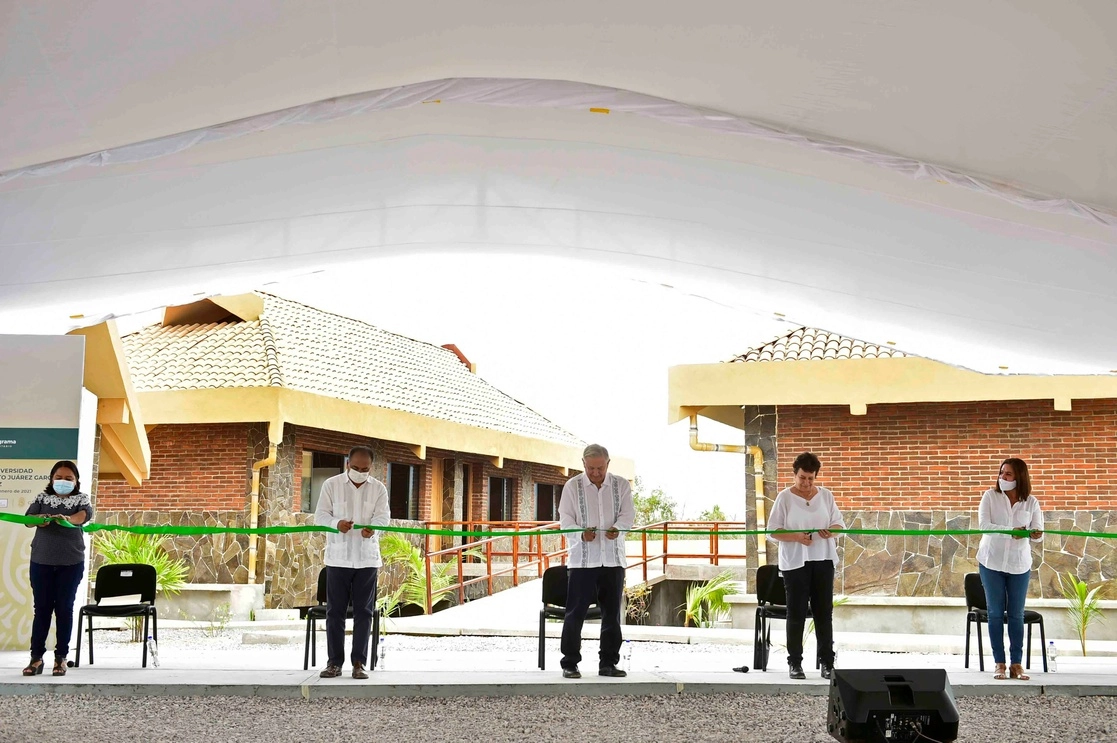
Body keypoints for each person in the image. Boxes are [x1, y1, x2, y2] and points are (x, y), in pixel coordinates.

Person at [557, 443, 635, 679]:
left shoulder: (621, 485)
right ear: (583, 464)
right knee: (575, 613)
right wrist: (581, 533)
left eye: (600, 468)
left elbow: (628, 516)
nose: (596, 473)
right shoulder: (572, 486)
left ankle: (608, 664)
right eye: (591, 468)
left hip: (613, 561)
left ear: (608, 464)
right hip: (582, 562)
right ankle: (570, 663)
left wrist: (618, 529)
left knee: (612, 614)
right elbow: (565, 522)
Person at [313, 446, 391, 679]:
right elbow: (320, 516)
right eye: (355, 468)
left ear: (371, 467)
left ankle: (359, 663)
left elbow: (383, 517)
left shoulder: (378, 488)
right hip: (338, 559)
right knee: (334, 612)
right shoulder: (331, 485)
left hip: (366, 560)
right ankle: (334, 663)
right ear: (347, 464)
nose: (360, 472)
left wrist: (373, 529)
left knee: (364, 613)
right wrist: (336, 523)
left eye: (364, 469)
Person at [767, 452, 843, 680]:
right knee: (796, 613)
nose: (806, 483)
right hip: (795, 563)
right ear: (795, 475)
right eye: (802, 478)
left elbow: (839, 524)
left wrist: (832, 530)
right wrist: (797, 537)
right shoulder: (784, 498)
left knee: (824, 613)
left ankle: (827, 662)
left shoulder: (826, 496)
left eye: (811, 478)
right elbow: (773, 530)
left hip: (823, 560)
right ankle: (795, 663)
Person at [22, 460, 93, 677]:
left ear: (76, 481)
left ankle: (61, 658)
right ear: (52, 480)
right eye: (59, 478)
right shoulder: (42, 498)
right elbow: (27, 519)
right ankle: (36, 658)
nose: (63, 482)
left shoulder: (81, 499)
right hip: (41, 561)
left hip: (71, 563)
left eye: (68, 478)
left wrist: (67, 519)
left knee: (64, 608)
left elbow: (85, 515)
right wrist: (39, 519)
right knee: (41, 609)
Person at [977, 457, 1043, 681]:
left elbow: (1038, 534)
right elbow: (984, 526)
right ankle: (999, 664)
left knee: (1016, 615)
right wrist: (1009, 530)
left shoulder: (1031, 502)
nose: (1002, 478)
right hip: (991, 562)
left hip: (1019, 564)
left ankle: (1017, 664)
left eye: (1008, 474)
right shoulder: (990, 497)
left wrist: (1036, 534)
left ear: (1020, 477)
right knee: (995, 614)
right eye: (1001, 473)